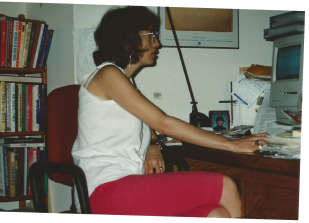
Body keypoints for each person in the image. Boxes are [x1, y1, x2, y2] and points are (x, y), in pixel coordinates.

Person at [72, 6, 268, 218]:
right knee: (226, 186)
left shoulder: (122, 80)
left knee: (216, 213)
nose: (157, 43)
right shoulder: (108, 74)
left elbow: (146, 123)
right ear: (128, 37)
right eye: (151, 36)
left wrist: (153, 145)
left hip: (123, 186)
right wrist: (232, 145)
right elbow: (162, 122)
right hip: (104, 191)